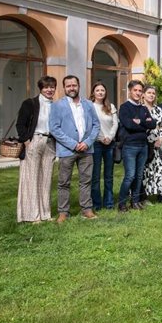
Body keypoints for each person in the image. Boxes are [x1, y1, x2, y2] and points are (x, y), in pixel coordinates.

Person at [49, 75, 100, 222]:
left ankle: (87, 210)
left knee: (86, 181)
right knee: (64, 182)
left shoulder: (88, 104)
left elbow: (96, 125)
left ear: (79, 86)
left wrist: (88, 142)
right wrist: (73, 144)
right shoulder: (57, 105)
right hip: (67, 150)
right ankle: (63, 212)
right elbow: (54, 128)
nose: (72, 88)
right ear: (64, 88)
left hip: (86, 149)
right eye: (68, 86)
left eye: (74, 85)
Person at [15, 76, 57, 223]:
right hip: (34, 140)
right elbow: (20, 124)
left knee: (46, 179)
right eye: (46, 87)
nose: (49, 90)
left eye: (52, 87)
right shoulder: (30, 103)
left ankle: (45, 214)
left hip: (50, 143)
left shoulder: (55, 106)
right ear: (41, 88)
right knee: (31, 179)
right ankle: (32, 215)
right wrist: (26, 141)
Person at [117, 80, 155, 212]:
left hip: (143, 146)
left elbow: (153, 124)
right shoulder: (124, 107)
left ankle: (135, 201)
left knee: (139, 176)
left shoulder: (144, 108)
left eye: (140, 91)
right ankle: (122, 204)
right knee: (130, 176)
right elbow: (128, 124)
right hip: (130, 146)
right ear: (130, 91)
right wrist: (144, 123)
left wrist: (140, 122)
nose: (138, 93)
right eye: (135, 90)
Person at [89, 81, 118, 211]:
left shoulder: (110, 107)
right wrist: (101, 138)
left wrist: (110, 137)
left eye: (102, 90)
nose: (100, 92)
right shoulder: (90, 106)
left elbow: (115, 124)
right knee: (95, 176)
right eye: (98, 90)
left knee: (108, 175)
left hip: (109, 144)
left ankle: (109, 203)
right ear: (93, 92)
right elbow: (91, 125)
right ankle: (96, 204)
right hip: (96, 144)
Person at [143, 85, 162, 201]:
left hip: (158, 145)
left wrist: (160, 139)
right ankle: (144, 196)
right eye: (149, 93)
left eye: (153, 93)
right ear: (143, 94)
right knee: (145, 170)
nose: (151, 95)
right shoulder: (140, 108)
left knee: (158, 170)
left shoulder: (158, 109)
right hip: (144, 144)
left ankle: (160, 194)